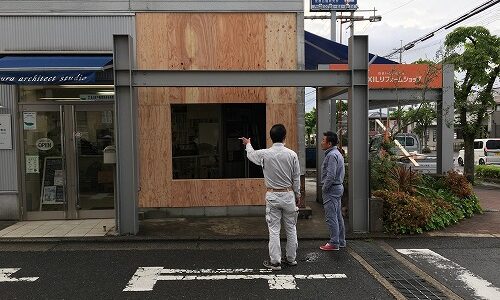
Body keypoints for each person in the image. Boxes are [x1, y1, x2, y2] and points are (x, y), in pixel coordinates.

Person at [240, 124, 301, 271]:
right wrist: (297, 195)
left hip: (273, 195)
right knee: (291, 228)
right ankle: (291, 259)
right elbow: (296, 177)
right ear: (284, 137)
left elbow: (251, 154)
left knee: (274, 230)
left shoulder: (265, 154)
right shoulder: (292, 154)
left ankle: (275, 262)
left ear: (271, 137)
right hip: (288, 195)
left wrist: (248, 144)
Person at [319, 131, 346, 251]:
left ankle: (334, 242)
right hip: (337, 187)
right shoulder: (337, 153)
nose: (321, 142)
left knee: (331, 217)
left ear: (329, 143)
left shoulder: (331, 155)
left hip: (332, 188)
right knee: (338, 216)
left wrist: (324, 188)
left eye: (323, 140)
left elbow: (330, 175)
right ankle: (340, 241)